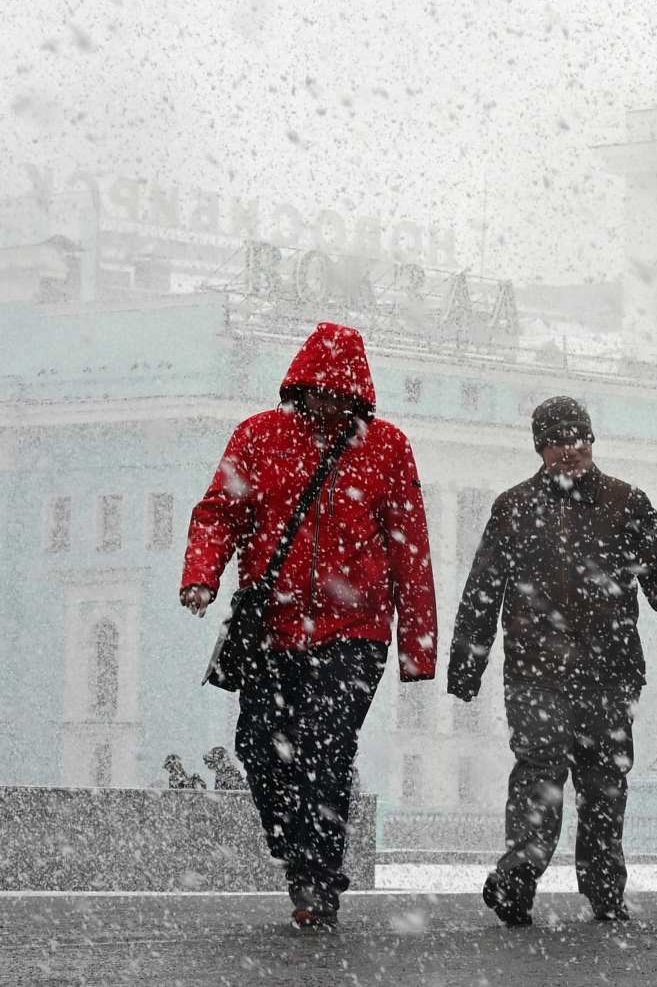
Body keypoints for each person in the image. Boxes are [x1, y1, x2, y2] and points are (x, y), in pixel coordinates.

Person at [180, 321, 437, 930]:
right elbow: (219, 513)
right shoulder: (259, 436)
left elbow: (410, 547)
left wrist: (417, 647)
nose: (327, 405)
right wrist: (201, 575)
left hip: (356, 633)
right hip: (273, 630)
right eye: (319, 392)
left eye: (339, 395)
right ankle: (296, 852)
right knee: (257, 746)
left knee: (326, 744)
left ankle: (318, 877)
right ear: (299, 386)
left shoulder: (387, 447)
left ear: (358, 395)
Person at [448, 396, 657, 927]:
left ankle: (604, 886)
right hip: (536, 673)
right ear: (539, 448)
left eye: (577, 438)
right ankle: (521, 876)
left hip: (609, 672)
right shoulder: (513, 507)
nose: (569, 450)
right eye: (556, 441)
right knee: (539, 773)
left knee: (604, 782)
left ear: (591, 441)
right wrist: (466, 663)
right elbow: (483, 590)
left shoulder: (626, 502)